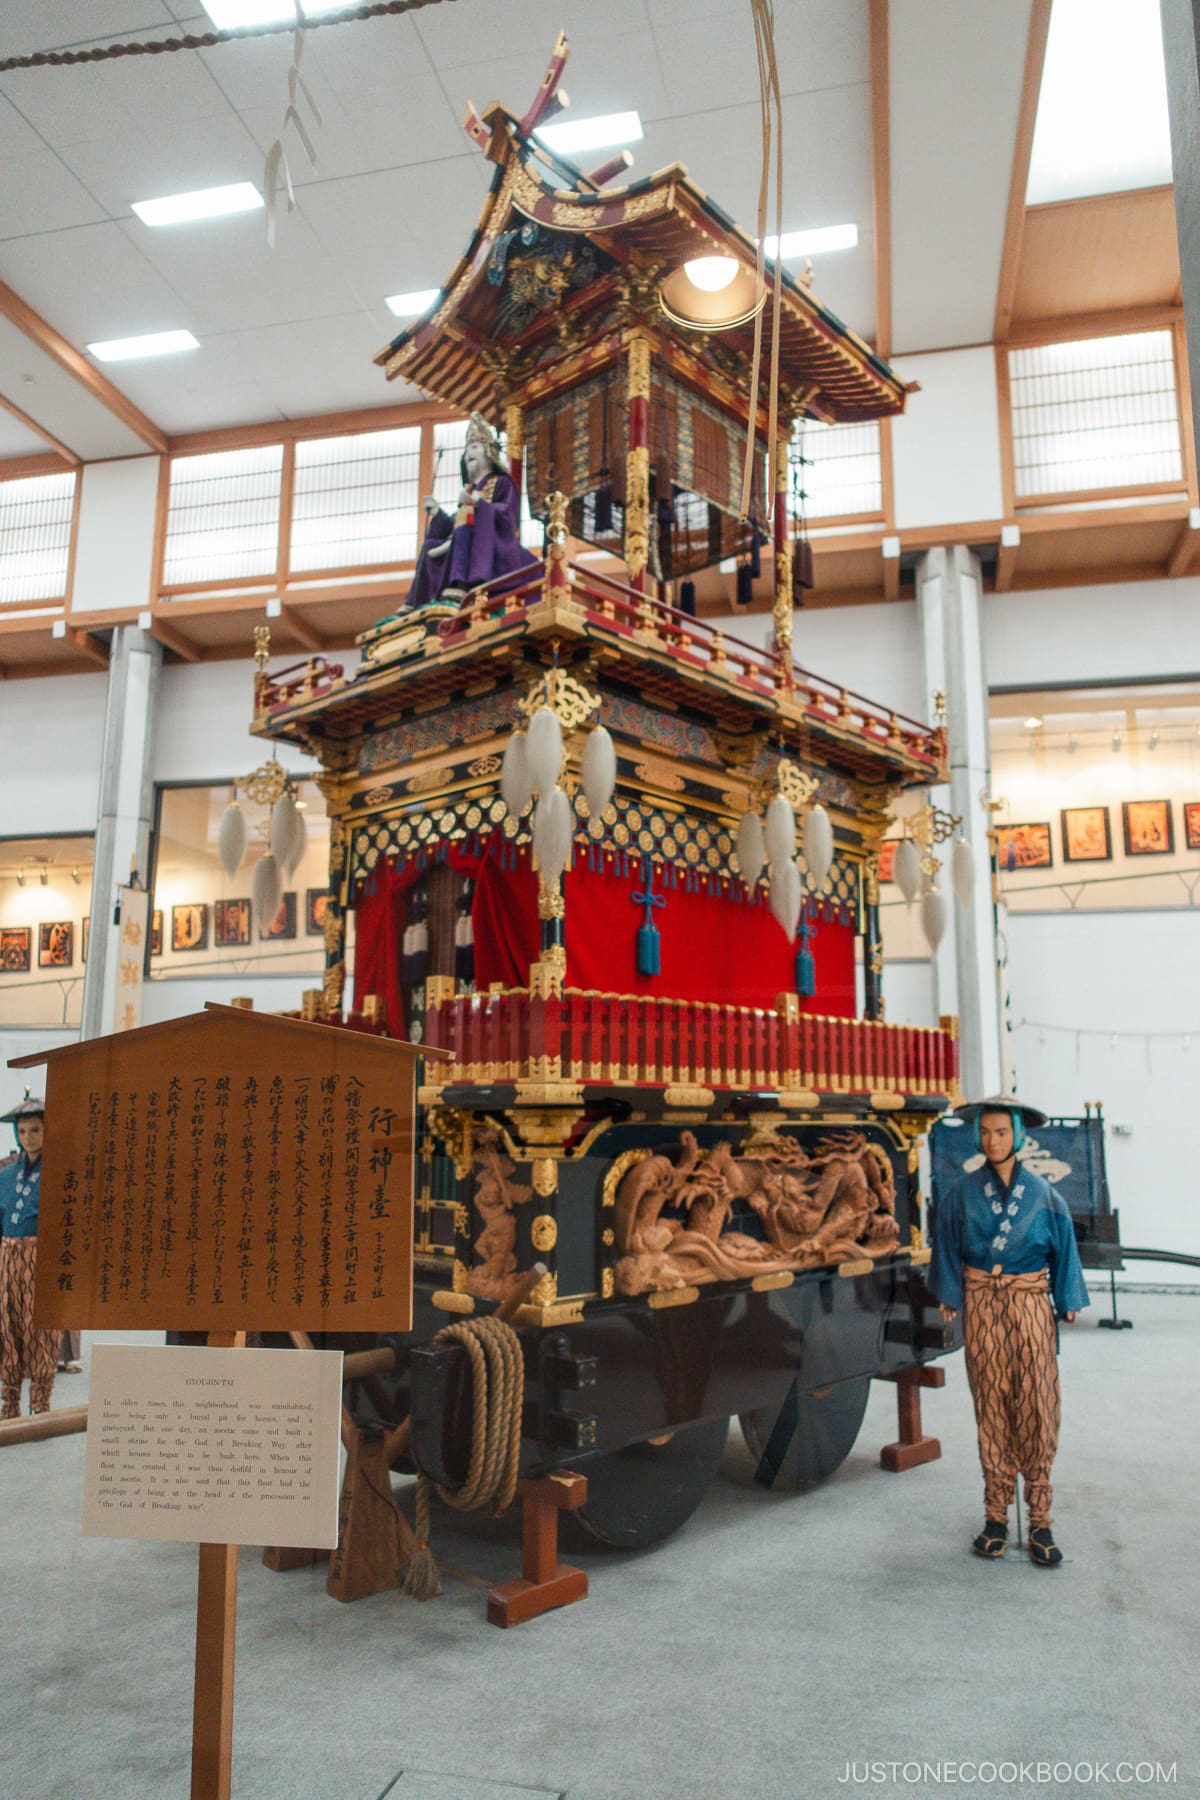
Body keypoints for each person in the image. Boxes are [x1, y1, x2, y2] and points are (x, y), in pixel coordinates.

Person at [929, 1097, 1089, 1567]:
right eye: (985, 1133)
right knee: (992, 1402)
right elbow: (947, 1245)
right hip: (983, 1303)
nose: (992, 1141)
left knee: (1039, 1402)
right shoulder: (961, 1193)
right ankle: (996, 1516)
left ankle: (1040, 1519)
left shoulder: (1043, 1194)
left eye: (1001, 1132)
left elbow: (1064, 1248)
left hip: (1030, 1304)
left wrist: (1068, 1297)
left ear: (1019, 1135)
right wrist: (950, 1293)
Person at [406, 411, 537, 609]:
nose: (469, 454)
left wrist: (478, 503)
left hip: (491, 542)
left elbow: (507, 513)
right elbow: (455, 521)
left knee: (464, 530)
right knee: (431, 544)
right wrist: (437, 513)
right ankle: (414, 599)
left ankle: (460, 583)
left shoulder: (501, 482)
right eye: (467, 450)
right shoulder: (469, 488)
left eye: (475, 447)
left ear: (488, 452)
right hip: (461, 537)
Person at [0, 1096, 59, 1418]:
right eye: (22, 1131)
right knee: (7, 1330)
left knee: (41, 1329)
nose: (29, 1137)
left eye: (35, 1130)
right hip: (8, 1259)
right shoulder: (6, 1175)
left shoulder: (61, 1173)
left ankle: (41, 1402)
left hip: (41, 1260)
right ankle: (9, 1402)